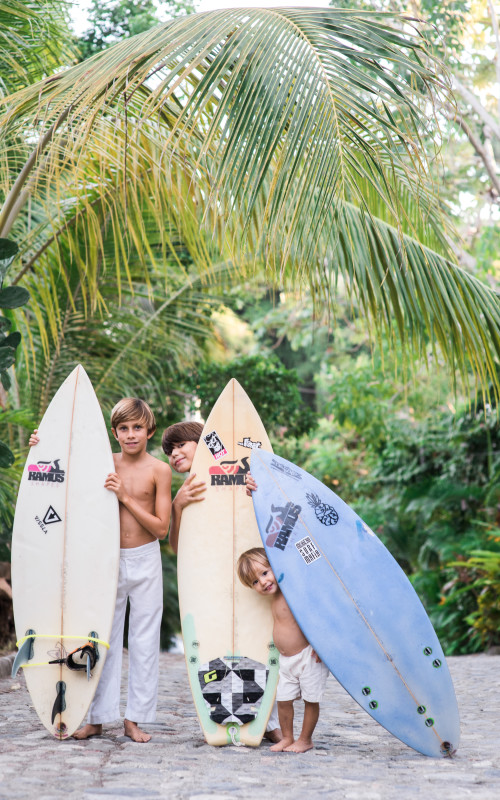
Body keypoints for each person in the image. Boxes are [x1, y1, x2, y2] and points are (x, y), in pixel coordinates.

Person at [29, 397, 172, 743]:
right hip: (106, 561)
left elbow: (161, 528)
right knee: (101, 639)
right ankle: (96, 717)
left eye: (137, 428)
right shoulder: (102, 462)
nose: (131, 434)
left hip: (146, 560)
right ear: (114, 432)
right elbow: (61, 472)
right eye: (123, 428)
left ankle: (135, 719)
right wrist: (40, 445)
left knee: (143, 641)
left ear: (149, 431)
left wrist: (124, 496)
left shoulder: (159, 470)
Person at [161, 420, 281, 743]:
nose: (174, 454)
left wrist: (259, 489)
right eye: (169, 451)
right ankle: (223, 715)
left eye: (180, 445)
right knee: (217, 643)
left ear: (202, 442)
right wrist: (178, 505)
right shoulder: (188, 488)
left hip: (249, 577)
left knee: (258, 636)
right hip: (209, 581)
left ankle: (266, 721)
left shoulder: (235, 473)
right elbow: (177, 548)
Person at [237, 547, 329, 753]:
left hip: (308, 656)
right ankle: (287, 737)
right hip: (286, 661)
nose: (262, 582)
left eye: (264, 573)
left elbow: (317, 614)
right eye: (254, 582)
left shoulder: (293, 592)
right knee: (283, 700)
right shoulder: (274, 599)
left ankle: (305, 739)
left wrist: (321, 644)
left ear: (276, 566)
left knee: (310, 700)